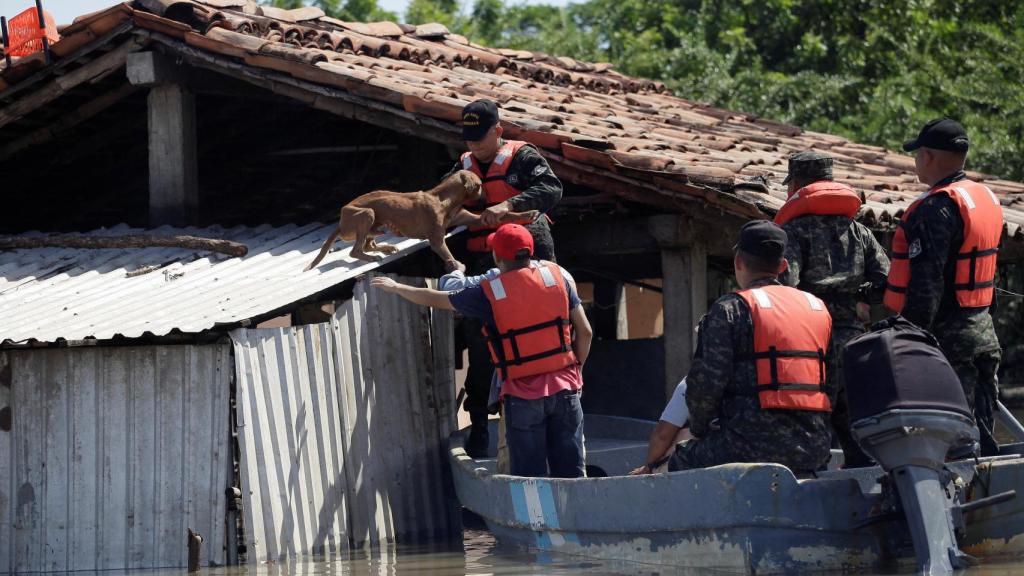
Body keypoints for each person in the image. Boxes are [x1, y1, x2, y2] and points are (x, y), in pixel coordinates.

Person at [373, 224, 592, 478]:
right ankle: (574, 517)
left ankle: (534, 519)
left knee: (529, 480)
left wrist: (397, 288)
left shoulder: (490, 291)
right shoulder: (558, 278)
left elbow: (438, 298)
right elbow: (585, 332)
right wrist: (577, 372)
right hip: (566, 390)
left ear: (497, 257)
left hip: (522, 396)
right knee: (573, 474)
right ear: (530, 252)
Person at [668, 220, 834, 473]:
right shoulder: (817, 309)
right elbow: (832, 382)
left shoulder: (730, 309)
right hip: (813, 448)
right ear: (783, 266)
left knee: (679, 460)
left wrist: (699, 429)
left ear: (738, 262)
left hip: (746, 446)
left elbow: (705, 385)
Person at [448, 99, 564, 457]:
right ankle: (480, 423)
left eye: (480, 137)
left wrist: (508, 207)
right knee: (481, 339)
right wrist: (463, 214)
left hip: (530, 257)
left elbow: (552, 190)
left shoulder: (523, 158)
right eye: (468, 138)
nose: (473, 145)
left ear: (498, 131)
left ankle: (556, 414)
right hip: (486, 259)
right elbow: (439, 202)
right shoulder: (462, 166)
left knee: (538, 337)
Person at [884, 118, 1004, 455]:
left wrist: (910, 337)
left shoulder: (936, 207)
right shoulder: (983, 198)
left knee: (952, 434)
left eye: (918, 154)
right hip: (983, 329)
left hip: (950, 336)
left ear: (928, 156)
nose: (916, 162)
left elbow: (927, 281)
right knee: (981, 424)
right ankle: (989, 493)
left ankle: (956, 501)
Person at [776, 151, 891, 468]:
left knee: (813, 421)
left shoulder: (794, 232)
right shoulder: (859, 231)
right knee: (857, 425)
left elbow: (787, 286)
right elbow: (887, 281)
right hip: (854, 342)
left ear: (797, 185)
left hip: (813, 343)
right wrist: (860, 296)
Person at [629, 378, 693, 475]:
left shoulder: (692, 382)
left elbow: (663, 435)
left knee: (685, 435)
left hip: (709, 455)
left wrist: (648, 468)